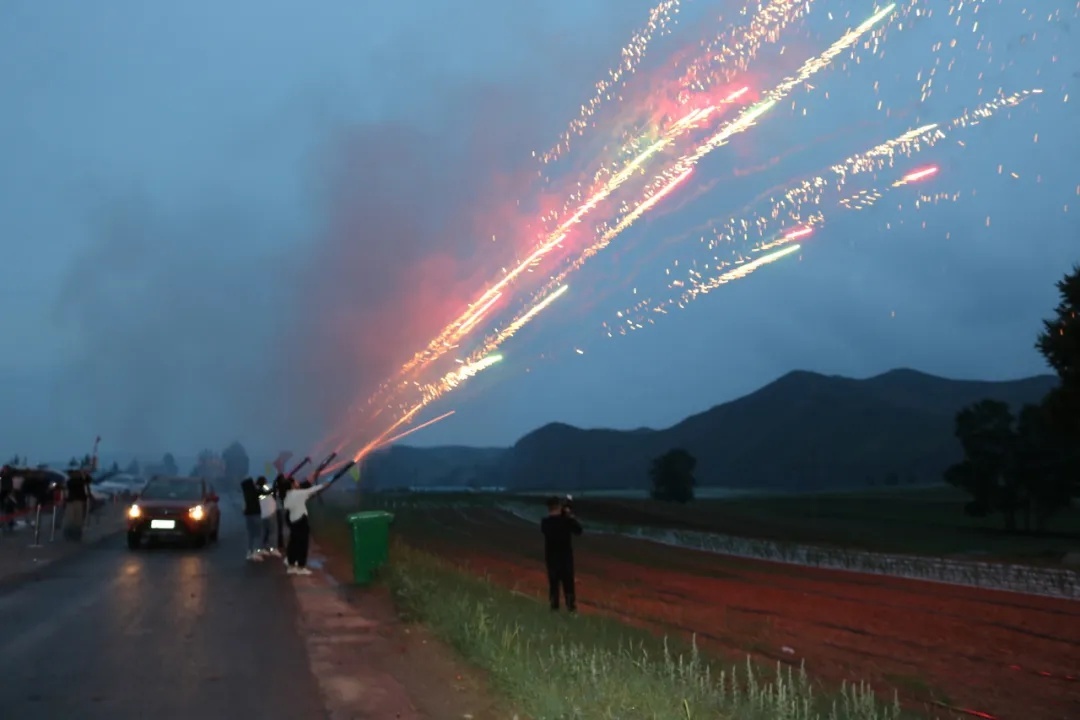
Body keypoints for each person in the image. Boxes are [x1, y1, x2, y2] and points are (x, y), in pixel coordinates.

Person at [282, 470, 339, 575]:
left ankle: (291, 566)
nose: (298, 482)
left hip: (293, 521)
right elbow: (313, 489)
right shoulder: (299, 494)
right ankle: (301, 567)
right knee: (302, 544)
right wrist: (325, 484)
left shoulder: (287, 495)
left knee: (294, 543)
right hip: (301, 522)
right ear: (292, 485)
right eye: (295, 482)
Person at [541, 495, 583, 612]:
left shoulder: (545, 523)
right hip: (565, 560)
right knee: (568, 585)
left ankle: (554, 608)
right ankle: (570, 608)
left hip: (551, 559)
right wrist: (568, 516)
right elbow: (579, 530)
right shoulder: (566, 521)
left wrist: (565, 516)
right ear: (559, 507)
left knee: (554, 585)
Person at [62, 469, 94, 542]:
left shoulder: (80, 481)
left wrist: (85, 475)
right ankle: (70, 534)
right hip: (72, 501)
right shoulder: (71, 481)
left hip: (79, 501)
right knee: (71, 518)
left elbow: (89, 480)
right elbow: (83, 482)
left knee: (78, 519)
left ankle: (75, 535)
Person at [240, 477, 263, 561]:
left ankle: (250, 551)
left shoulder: (246, 493)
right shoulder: (254, 492)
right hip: (255, 514)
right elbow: (264, 494)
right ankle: (255, 552)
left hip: (248, 515)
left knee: (251, 534)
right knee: (257, 534)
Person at [256, 477, 280, 557]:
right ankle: (273, 549)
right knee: (273, 532)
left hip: (262, 514)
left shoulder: (256, 490)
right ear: (265, 481)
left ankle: (261, 548)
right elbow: (276, 493)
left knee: (263, 532)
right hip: (271, 512)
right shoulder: (268, 487)